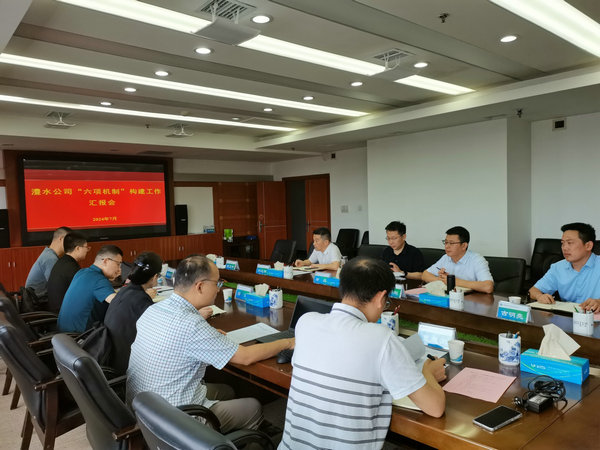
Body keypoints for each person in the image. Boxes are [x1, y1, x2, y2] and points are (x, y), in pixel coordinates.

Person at [279, 257, 446, 449]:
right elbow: (435, 408)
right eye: (387, 302)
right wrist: (428, 373)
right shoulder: (381, 338)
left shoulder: (306, 322)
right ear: (380, 298)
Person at [126, 255, 295, 433]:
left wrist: (208, 335)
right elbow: (246, 357)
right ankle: (242, 439)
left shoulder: (153, 309)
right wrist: (288, 342)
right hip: (175, 423)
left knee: (226, 391)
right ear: (200, 286)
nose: (218, 289)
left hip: (143, 409)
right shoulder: (191, 324)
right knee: (252, 406)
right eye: (217, 283)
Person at [104, 252, 161, 375]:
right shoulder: (142, 300)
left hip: (109, 356)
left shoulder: (124, 290)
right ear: (155, 276)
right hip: (125, 366)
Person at [529, 223, 600, 311]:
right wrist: (540, 296)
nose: (564, 248)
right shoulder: (558, 267)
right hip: (567, 317)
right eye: (563, 243)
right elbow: (533, 290)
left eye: (570, 243)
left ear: (588, 246)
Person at [57, 245, 123, 332]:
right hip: (80, 336)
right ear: (106, 261)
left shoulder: (82, 272)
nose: (119, 269)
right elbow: (120, 303)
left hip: (63, 334)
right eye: (118, 264)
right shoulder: (99, 279)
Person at [422, 226, 494, 293]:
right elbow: (425, 274)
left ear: (464, 246)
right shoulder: (446, 257)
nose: (447, 246)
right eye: (446, 242)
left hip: (471, 299)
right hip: (449, 297)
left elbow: (488, 287)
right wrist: (442, 280)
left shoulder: (477, 260)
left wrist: (454, 281)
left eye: (451, 243)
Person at [46, 232, 90, 314]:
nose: (87, 250)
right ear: (77, 248)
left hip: (57, 310)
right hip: (63, 314)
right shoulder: (71, 267)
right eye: (86, 247)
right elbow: (84, 292)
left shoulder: (64, 261)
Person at [25, 226, 72, 299]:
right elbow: (57, 286)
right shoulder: (50, 258)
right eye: (70, 241)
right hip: (39, 301)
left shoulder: (49, 254)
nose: (72, 245)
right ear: (61, 239)